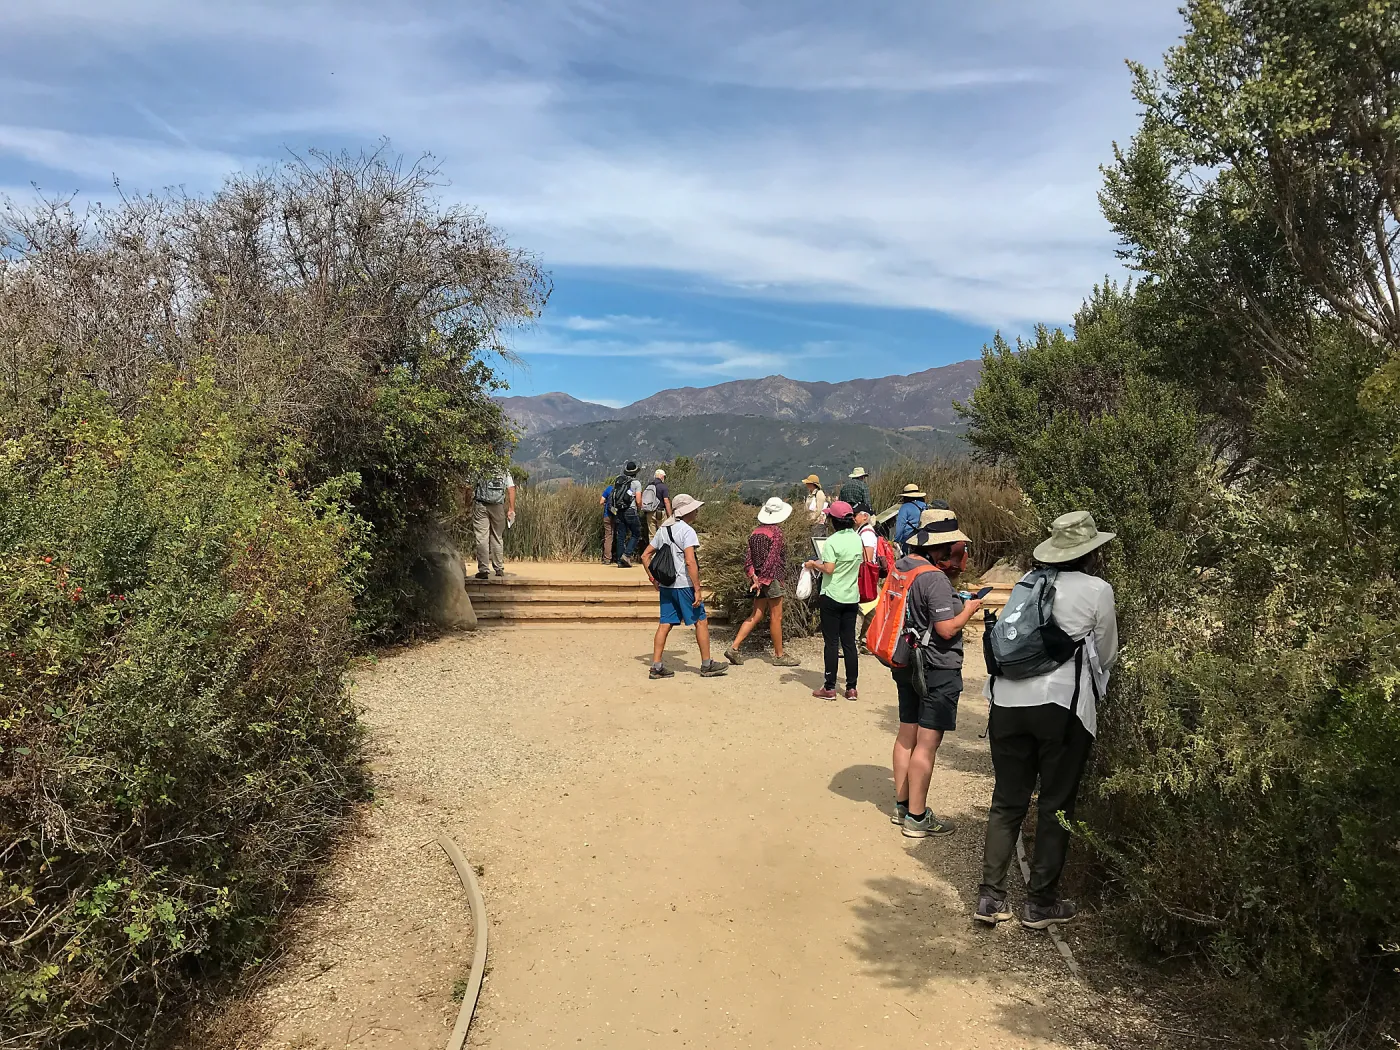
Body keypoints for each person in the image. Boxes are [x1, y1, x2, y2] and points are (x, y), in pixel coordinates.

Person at [975, 511, 1118, 930]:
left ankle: (990, 897)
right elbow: (1107, 654)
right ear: (1090, 553)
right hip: (1061, 708)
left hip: (1006, 702)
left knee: (1007, 800)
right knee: (1056, 803)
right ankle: (1040, 903)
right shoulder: (1097, 590)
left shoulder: (1026, 583)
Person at [890, 509, 981, 838]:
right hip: (935, 668)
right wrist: (968, 610)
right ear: (943, 548)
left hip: (905, 661)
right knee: (927, 744)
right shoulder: (935, 579)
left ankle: (902, 806)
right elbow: (945, 628)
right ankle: (917, 818)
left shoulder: (904, 567)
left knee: (906, 735)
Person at [642, 493, 728, 679]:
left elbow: (644, 556)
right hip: (684, 585)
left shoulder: (663, 530)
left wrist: (653, 579)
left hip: (666, 586)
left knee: (665, 623)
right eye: (694, 509)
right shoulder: (687, 531)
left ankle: (656, 666)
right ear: (686, 511)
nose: (697, 511)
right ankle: (707, 664)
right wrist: (697, 588)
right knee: (700, 621)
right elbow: (690, 561)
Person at [724, 498, 801, 667]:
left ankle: (734, 647)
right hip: (772, 579)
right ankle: (779, 656)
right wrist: (763, 580)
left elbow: (748, 560)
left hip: (758, 579)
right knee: (776, 617)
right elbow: (772, 560)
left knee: (756, 614)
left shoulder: (755, 533)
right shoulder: (777, 533)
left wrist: (754, 577)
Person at [802, 500, 864, 700]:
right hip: (851, 596)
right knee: (849, 643)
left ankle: (829, 686)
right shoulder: (856, 538)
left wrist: (814, 564)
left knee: (831, 642)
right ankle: (851, 687)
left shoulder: (832, 541)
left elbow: (829, 568)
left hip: (832, 594)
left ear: (834, 520)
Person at [469, 468, 516, 580]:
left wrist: (467, 504)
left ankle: (484, 570)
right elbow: (511, 489)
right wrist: (511, 509)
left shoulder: (480, 466)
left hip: (481, 505)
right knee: (497, 537)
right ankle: (499, 568)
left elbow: (469, 486)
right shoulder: (504, 469)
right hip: (498, 506)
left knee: (482, 537)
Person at [855, 508, 880, 653]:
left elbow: (867, 558)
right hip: (869, 575)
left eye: (855, 515)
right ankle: (866, 641)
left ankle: (857, 641)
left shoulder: (867, 534)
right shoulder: (867, 531)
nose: (853, 517)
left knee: (861, 608)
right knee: (871, 608)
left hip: (865, 575)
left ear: (865, 516)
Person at [610, 461, 644, 568]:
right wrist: (639, 509)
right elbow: (638, 500)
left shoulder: (619, 481)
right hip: (630, 510)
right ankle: (627, 554)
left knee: (621, 535)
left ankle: (620, 561)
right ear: (635, 472)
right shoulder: (636, 483)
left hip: (619, 510)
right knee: (636, 533)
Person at [892, 484, 927, 549]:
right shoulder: (924, 505)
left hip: (908, 538)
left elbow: (900, 525)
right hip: (923, 536)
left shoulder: (904, 507)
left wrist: (896, 540)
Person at [644, 468, 673, 542]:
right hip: (660, 512)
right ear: (662, 477)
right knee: (663, 532)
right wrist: (670, 516)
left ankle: (653, 553)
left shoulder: (649, 485)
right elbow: (666, 501)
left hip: (649, 512)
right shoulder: (663, 486)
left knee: (652, 535)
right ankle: (662, 552)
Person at [600, 481, 615, 564]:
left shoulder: (609, 489)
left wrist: (607, 505)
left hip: (607, 515)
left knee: (608, 536)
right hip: (617, 515)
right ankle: (620, 557)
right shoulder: (622, 489)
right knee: (620, 536)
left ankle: (607, 558)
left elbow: (601, 502)